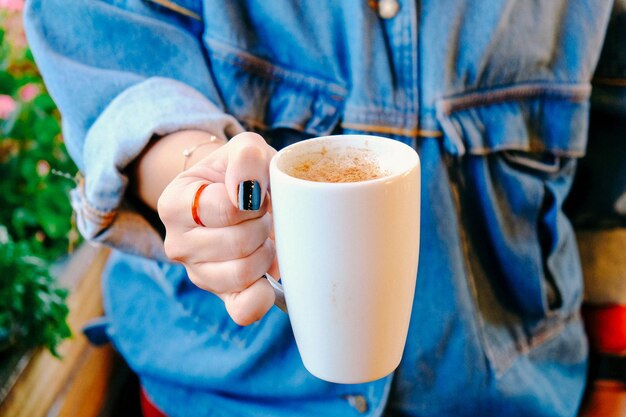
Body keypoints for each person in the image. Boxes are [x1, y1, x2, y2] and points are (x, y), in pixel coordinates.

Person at [23, 0, 626, 416]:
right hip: (223, 397)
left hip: (516, 395)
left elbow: (605, 188)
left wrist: (613, 379)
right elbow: (117, 57)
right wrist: (201, 182)